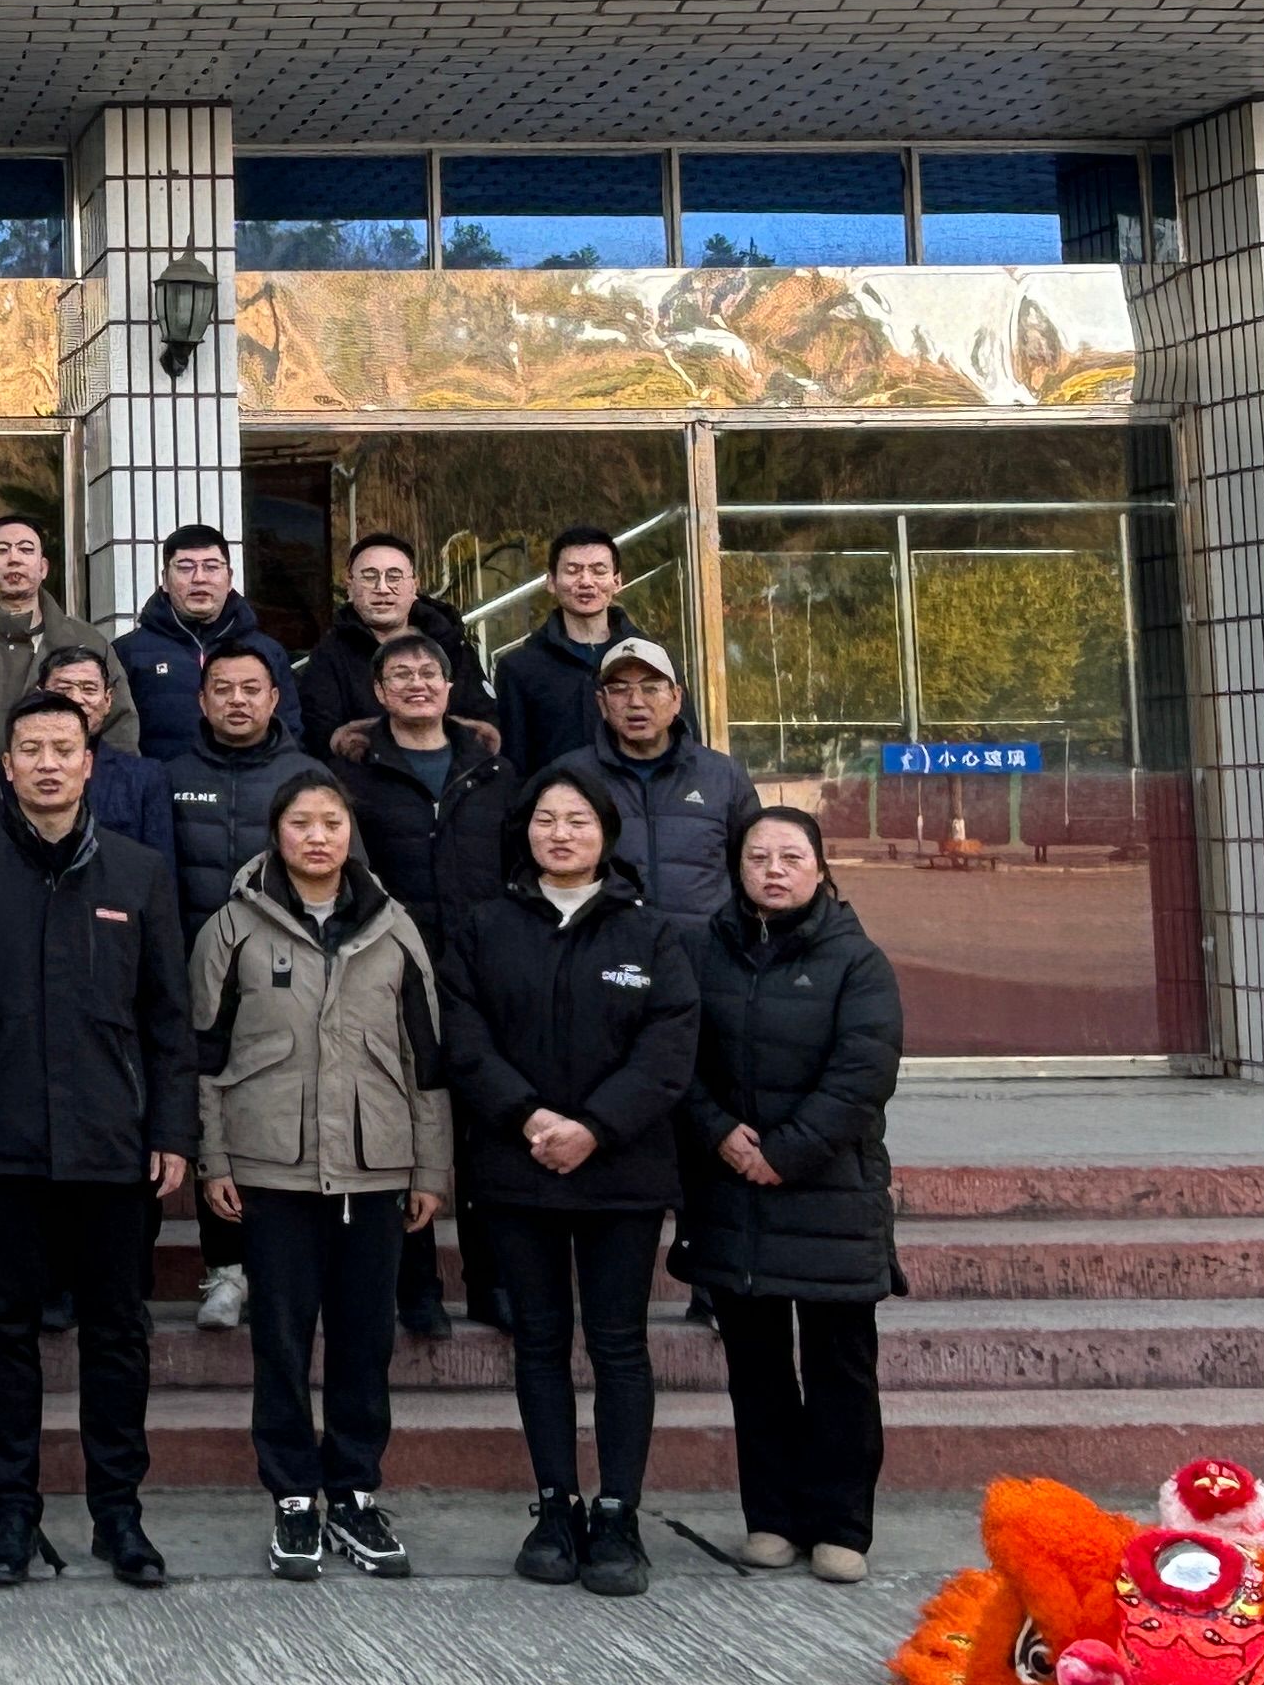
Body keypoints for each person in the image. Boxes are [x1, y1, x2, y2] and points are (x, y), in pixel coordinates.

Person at [0, 693, 197, 1591]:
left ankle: (119, 1514)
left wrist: (171, 1129)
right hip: (1, 1148)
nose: (47, 763)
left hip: (113, 1144)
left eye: (63, 749)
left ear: (90, 764)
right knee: (4, 1333)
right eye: (29, 748)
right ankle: (12, 1514)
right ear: (6, 765)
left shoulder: (139, 871)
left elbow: (167, 1018)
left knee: (118, 1333)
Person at [438, 762, 699, 1602]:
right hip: (518, 1170)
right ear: (526, 832)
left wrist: (594, 1127)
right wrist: (530, 1120)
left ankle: (617, 1514)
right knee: (541, 1344)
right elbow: (465, 1036)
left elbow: (669, 1048)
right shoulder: (485, 926)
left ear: (607, 834)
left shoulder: (651, 933)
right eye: (547, 819)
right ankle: (555, 1507)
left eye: (579, 820)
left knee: (618, 1343)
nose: (562, 834)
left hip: (621, 1171)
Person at [187, 769, 447, 1586]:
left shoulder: (394, 930)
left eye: (331, 822)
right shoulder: (231, 929)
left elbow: (425, 1063)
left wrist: (429, 1168)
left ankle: (356, 1492)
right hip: (273, 1173)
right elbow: (206, 1059)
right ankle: (294, 1499)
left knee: (366, 1344)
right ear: (277, 833)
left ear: (349, 835)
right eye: (300, 823)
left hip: (375, 1171)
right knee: (282, 1342)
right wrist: (216, 1160)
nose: (317, 837)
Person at [676, 807, 904, 1586]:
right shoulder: (703, 951)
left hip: (829, 1195)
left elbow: (864, 1073)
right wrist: (719, 1134)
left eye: (790, 856)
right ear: (738, 867)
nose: (773, 869)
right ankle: (770, 1516)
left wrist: (787, 1152)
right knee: (758, 1366)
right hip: (734, 1191)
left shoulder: (857, 961)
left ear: (820, 869)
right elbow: (679, 1059)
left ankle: (842, 1525)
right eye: (757, 855)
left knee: (841, 1367)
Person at [326, 629, 513, 1341]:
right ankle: (418, 1289)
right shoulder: (353, 774)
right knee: (403, 1133)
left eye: (429, 673)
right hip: (390, 975)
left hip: (480, 978)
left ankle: (491, 1283)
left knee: (484, 1135)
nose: (416, 684)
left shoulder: (494, 773)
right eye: (399, 674)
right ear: (378, 692)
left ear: (449, 686)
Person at [159, 641, 311, 1333]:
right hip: (199, 975)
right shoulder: (171, 775)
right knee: (209, 1116)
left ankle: (282, 1272)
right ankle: (224, 1269)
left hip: (288, 981)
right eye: (223, 689)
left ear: (275, 697)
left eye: (252, 688)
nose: (238, 701)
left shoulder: (306, 775)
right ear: (202, 700)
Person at [574, 636, 757, 919]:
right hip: (608, 950)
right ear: (602, 703)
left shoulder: (723, 775)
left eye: (651, 688)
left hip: (705, 951)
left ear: (676, 698)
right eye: (620, 689)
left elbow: (751, 866)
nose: (636, 702)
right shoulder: (572, 777)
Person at [287, 531, 503, 753]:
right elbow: (321, 737)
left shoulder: (450, 643)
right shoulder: (330, 655)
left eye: (394, 576)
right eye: (370, 577)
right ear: (350, 585)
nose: (382, 588)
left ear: (414, 585)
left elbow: (485, 720)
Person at [0, 513, 135, 752]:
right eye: (1, 550)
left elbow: (120, 728)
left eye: (26, 549)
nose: (14, 559)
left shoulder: (87, 640)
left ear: (43, 568)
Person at [115, 523, 294, 763]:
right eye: (186, 567)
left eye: (211, 567)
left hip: (253, 791)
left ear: (229, 578)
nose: (199, 578)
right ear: (165, 580)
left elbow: (291, 733)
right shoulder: (128, 653)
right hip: (160, 792)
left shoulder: (267, 652)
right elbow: (115, 739)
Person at [495, 525, 637, 776]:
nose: (586, 581)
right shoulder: (519, 668)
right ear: (550, 582)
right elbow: (513, 763)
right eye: (572, 571)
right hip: (556, 810)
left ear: (617, 581)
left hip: (636, 810)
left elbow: (683, 740)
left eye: (598, 571)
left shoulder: (648, 659)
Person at [39, 645, 175, 859]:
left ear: (108, 700)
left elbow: (160, 871)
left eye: (89, 689)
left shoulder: (144, 778)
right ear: (40, 696)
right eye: (63, 689)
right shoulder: (16, 772)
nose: (76, 699)